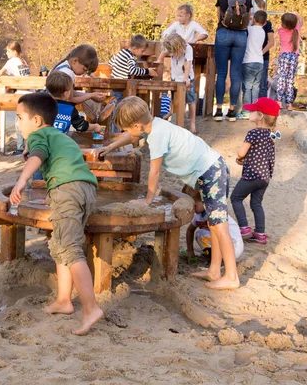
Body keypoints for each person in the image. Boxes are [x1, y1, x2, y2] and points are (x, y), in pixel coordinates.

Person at [98, 96, 240, 290]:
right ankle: (214, 270)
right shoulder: (154, 125)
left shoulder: (157, 136)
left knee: (219, 225)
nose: (125, 133)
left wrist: (148, 200)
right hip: (210, 169)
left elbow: (154, 171)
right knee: (213, 224)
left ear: (138, 125)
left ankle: (232, 276)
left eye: (126, 128)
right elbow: (131, 136)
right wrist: (110, 147)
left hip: (211, 171)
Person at [9, 92, 103, 335]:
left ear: (37, 121)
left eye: (19, 118)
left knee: (70, 249)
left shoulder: (39, 136)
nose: (17, 123)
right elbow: (50, 154)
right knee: (62, 244)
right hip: (86, 189)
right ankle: (64, 300)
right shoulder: (59, 136)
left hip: (66, 190)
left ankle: (91, 308)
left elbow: (38, 156)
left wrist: (21, 182)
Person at [230, 97, 279, 244]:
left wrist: (240, 158)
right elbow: (262, 154)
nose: (249, 111)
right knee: (256, 204)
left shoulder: (253, 133)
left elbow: (241, 153)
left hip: (252, 175)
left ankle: (244, 228)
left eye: (252, 110)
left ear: (260, 116)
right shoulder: (271, 135)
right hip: (264, 177)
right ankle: (260, 233)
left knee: (235, 198)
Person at [0, 41, 31, 155]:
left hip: (21, 93)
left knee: (19, 122)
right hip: (29, 93)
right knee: (28, 120)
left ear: (14, 52)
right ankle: (27, 146)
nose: (7, 54)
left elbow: (0, 72)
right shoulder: (23, 61)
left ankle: (20, 148)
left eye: (8, 51)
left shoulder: (12, 61)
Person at [213, 0, 253, 121]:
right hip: (241, 35)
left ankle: (218, 110)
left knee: (222, 73)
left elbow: (219, 17)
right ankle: (232, 111)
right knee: (235, 74)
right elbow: (250, 17)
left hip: (223, 33)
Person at [182, 185, 243, 261]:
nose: (192, 209)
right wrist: (190, 251)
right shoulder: (199, 215)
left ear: (204, 201)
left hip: (234, 245)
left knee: (202, 234)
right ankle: (214, 256)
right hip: (227, 245)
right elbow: (190, 230)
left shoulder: (214, 212)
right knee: (200, 234)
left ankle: (216, 258)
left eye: (194, 205)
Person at [45, 71, 103, 135]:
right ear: (66, 93)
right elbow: (81, 126)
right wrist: (95, 127)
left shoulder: (42, 104)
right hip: (59, 143)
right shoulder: (70, 109)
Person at [161, 33, 197, 133]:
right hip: (175, 77)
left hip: (187, 78)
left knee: (190, 100)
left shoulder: (188, 48)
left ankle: (192, 123)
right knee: (174, 99)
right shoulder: (170, 46)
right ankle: (171, 112)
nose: (172, 54)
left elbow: (188, 63)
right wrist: (159, 60)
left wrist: (186, 78)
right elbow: (163, 52)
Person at [241, 11, 268, 115]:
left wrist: (250, 15)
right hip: (259, 61)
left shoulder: (250, 29)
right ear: (265, 23)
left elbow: (245, 23)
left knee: (247, 86)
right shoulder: (263, 31)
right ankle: (255, 109)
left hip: (248, 60)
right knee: (256, 87)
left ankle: (247, 110)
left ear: (254, 19)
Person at [276, 12, 304, 111]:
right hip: (294, 57)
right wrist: (296, 14)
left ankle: (279, 102)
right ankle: (289, 104)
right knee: (289, 81)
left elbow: (287, 23)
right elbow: (301, 21)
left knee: (281, 79)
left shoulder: (280, 30)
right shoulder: (297, 30)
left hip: (284, 56)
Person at [255, 0, 275, 100]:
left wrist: (261, 53)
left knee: (262, 85)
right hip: (251, 56)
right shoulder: (250, 23)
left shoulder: (267, 24)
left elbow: (271, 41)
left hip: (263, 57)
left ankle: (261, 108)